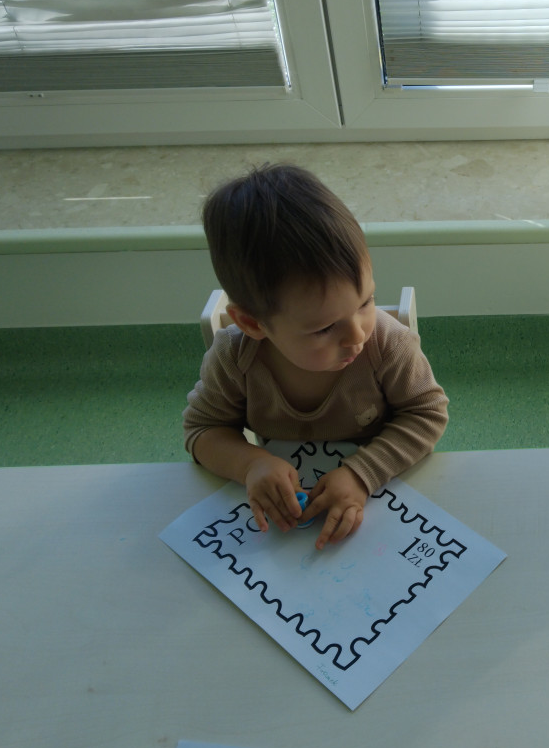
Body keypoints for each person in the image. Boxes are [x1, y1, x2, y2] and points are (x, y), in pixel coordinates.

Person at [184, 163, 449, 551]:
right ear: (253, 323)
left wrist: (361, 474)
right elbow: (202, 430)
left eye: (366, 301)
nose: (357, 335)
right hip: (285, 529)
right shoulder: (233, 358)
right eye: (325, 328)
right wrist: (251, 464)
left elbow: (427, 414)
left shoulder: (389, 345)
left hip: (379, 497)